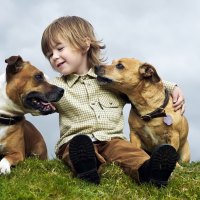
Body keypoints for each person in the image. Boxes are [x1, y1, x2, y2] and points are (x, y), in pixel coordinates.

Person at [41, 16, 185, 187]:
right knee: (76, 149)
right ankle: (86, 170)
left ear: (85, 45)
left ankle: (150, 172)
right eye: (49, 55)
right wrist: (40, 103)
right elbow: (32, 96)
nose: (54, 57)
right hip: (75, 140)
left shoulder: (112, 81)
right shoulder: (55, 86)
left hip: (112, 140)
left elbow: (140, 85)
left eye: (59, 49)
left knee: (130, 152)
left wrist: (172, 87)